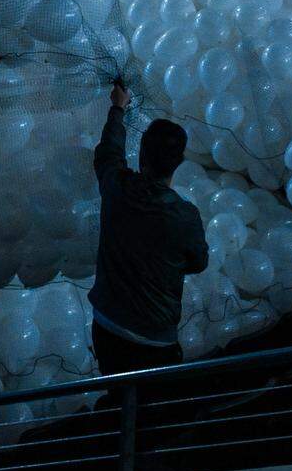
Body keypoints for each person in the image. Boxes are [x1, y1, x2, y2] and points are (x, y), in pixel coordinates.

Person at [89, 84, 208, 381]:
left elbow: (108, 153)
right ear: (179, 162)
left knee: (118, 396)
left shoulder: (118, 187)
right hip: (154, 340)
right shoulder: (185, 216)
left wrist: (118, 108)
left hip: (108, 327)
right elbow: (198, 263)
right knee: (154, 411)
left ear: (141, 153)